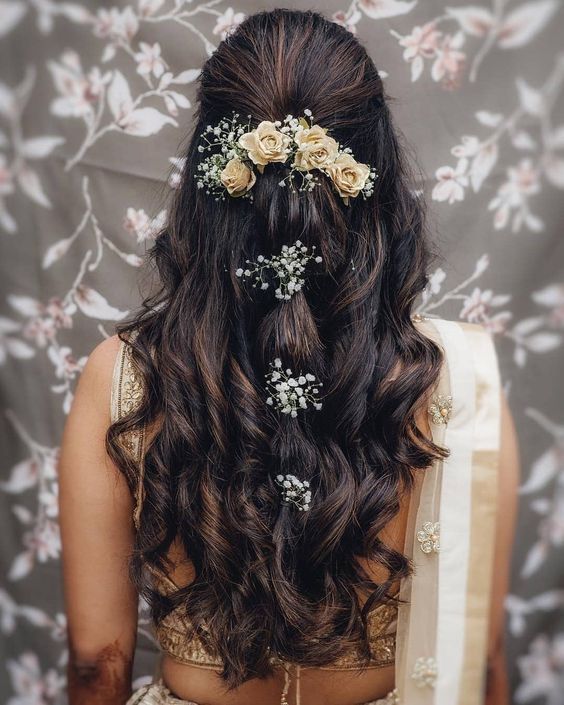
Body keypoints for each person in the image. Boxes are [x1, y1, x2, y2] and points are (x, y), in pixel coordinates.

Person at [57, 9, 519, 705]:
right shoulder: (453, 379)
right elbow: (478, 661)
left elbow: (97, 661)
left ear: (207, 184)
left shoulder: (120, 377)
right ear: (377, 175)